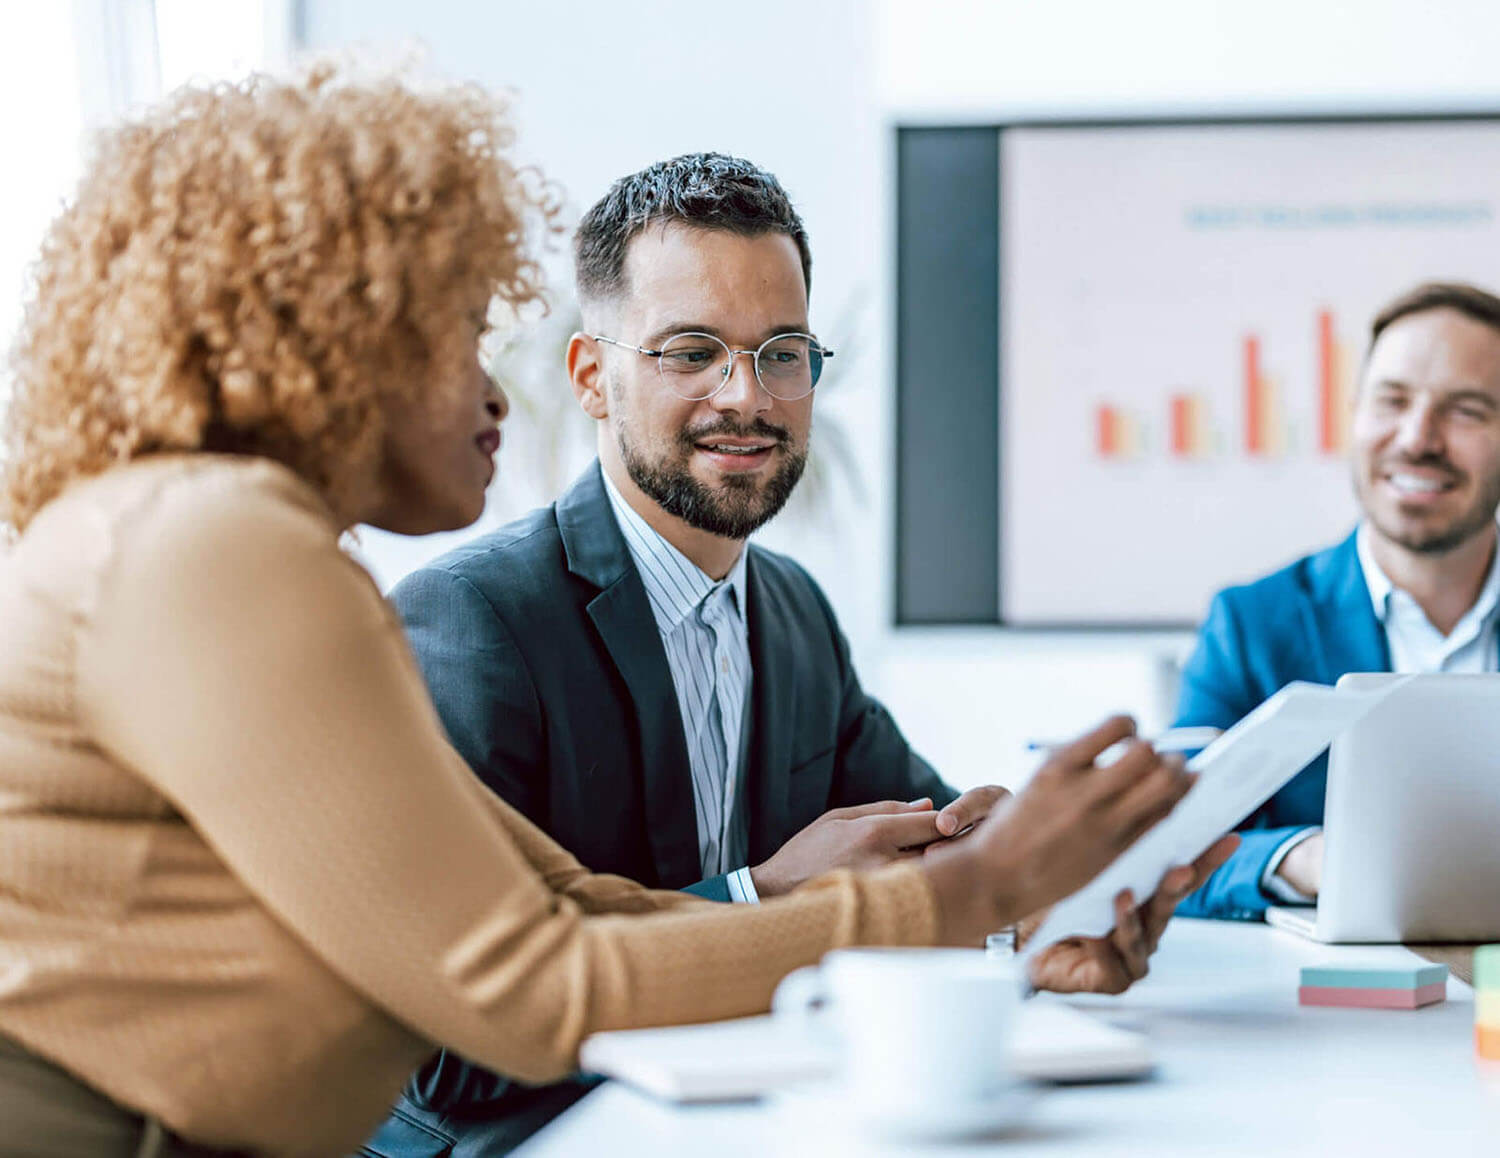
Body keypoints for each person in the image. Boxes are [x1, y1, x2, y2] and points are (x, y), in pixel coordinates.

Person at [0, 71, 1229, 1157]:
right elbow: (530, 986)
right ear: (328, 334)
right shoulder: (214, 547)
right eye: (453, 330)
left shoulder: (213, 542)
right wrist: (961, 899)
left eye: (782, 352)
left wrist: (1009, 910)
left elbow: (578, 909)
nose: (493, 388)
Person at [373, 153, 1233, 1155]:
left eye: (782, 353)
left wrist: (1030, 934)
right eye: (692, 351)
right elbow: (438, 1050)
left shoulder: (792, 613)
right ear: (591, 378)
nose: (748, 397)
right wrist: (759, 894)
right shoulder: (476, 623)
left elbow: (937, 856)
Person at [1175, 281, 1500, 920]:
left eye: (1466, 410)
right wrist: (1304, 858)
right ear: (1353, 415)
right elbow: (1164, 846)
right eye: (1391, 401)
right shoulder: (1249, 626)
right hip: (1324, 1006)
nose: (1417, 438)